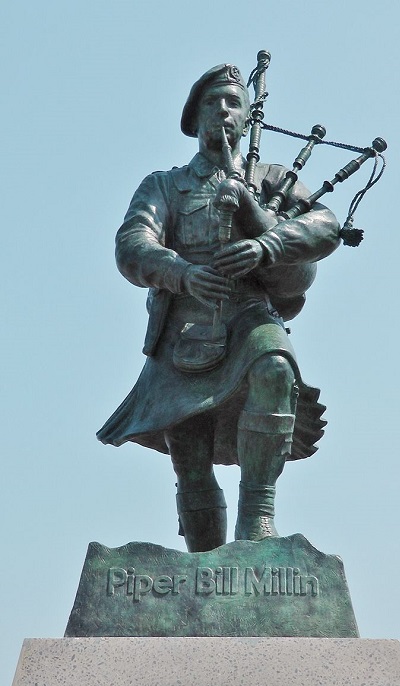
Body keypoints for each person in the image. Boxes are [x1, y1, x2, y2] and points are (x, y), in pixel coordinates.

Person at [97, 63, 340, 552]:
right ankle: (204, 566)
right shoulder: (164, 186)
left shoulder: (269, 180)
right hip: (182, 327)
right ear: (195, 116)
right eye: (214, 102)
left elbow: (325, 227)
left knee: (275, 368)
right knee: (189, 454)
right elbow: (132, 243)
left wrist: (265, 241)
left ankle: (258, 518)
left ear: (248, 119)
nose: (224, 111)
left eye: (234, 103)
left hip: (250, 314)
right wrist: (181, 272)